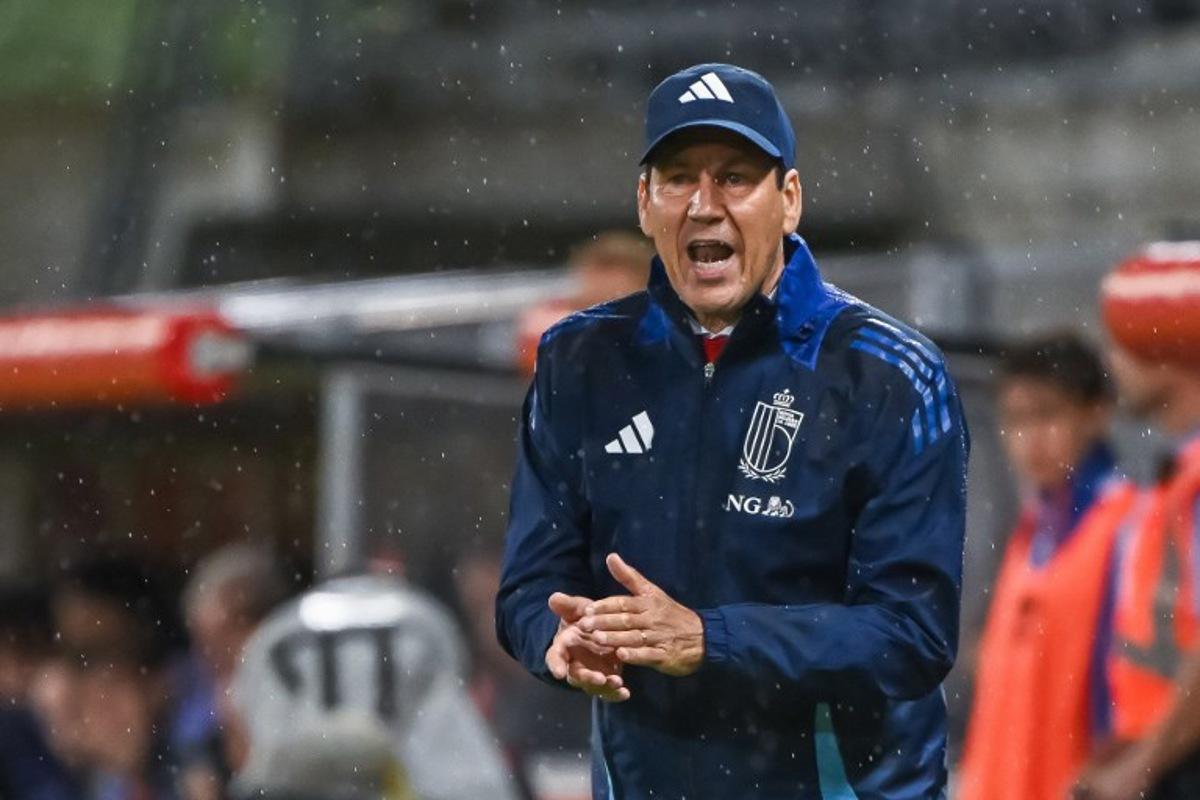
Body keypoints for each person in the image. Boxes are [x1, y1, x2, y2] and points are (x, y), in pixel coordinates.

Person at [496, 62, 970, 799]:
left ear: (789, 201)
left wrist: (710, 640)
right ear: (645, 203)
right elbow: (531, 582)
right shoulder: (578, 360)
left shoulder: (889, 373)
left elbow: (911, 635)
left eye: (737, 177)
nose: (705, 205)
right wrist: (555, 639)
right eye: (679, 177)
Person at [957, 332, 1135, 800]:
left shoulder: (1126, 526)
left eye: (1048, 414)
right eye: (1015, 420)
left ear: (1096, 413)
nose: (1030, 439)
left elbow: (1125, 689)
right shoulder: (1031, 533)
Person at [1073, 242, 1200, 800]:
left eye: (1121, 342)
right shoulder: (1178, 472)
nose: (1110, 362)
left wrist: (1142, 766)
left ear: (1165, 348)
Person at [515, 231, 654, 375]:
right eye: (602, 270)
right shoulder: (547, 319)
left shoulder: (660, 322)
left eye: (619, 273)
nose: (607, 283)